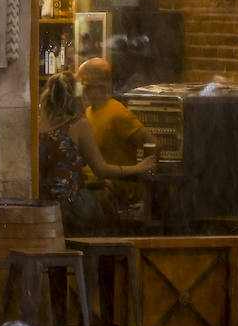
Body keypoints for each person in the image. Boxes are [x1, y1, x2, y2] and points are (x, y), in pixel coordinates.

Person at [39, 71, 156, 234]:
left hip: (43, 205)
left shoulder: (39, 126)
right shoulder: (78, 125)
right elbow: (101, 169)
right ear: (75, 97)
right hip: (70, 207)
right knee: (109, 209)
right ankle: (113, 253)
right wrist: (139, 168)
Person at [79, 57, 151, 211]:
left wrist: (139, 172)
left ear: (95, 84)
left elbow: (151, 145)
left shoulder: (117, 113)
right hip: (93, 187)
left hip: (110, 193)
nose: (80, 89)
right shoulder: (89, 112)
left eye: (82, 83)